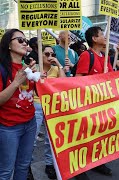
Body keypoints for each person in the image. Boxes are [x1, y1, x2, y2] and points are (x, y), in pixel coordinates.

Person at [74, 26, 116, 180]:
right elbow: (78, 80)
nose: (105, 36)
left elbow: (112, 77)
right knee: (84, 138)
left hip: (102, 106)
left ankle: (97, 163)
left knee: (99, 137)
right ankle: (79, 169)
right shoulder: (86, 55)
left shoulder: (104, 57)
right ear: (94, 39)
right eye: (101, 34)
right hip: (88, 106)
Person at [0, 29, 37, 180]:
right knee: (6, 170)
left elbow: (35, 94)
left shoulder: (28, 68)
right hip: (9, 127)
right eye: (20, 40)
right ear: (9, 44)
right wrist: (16, 83)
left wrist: (40, 79)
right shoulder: (2, 68)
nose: (24, 43)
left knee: (23, 165)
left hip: (30, 123)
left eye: (25, 41)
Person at [30, 45, 66, 179]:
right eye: (46, 54)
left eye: (52, 54)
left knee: (50, 138)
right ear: (41, 54)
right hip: (37, 105)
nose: (49, 56)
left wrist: (58, 64)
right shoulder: (35, 68)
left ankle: (50, 164)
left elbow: (63, 83)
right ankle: (27, 166)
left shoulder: (56, 68)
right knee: (32, 138)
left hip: (52, 106)